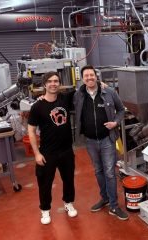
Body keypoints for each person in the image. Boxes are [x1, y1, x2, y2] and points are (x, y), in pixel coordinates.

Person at [73, 65, 128, 220]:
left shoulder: (109, 92)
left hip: (107, 139)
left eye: (92, 75)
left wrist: (115, 123)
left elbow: (122, 110)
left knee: (110, 172)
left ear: (96, 76)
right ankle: (104, 198)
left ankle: (114, 206)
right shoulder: (78, 95)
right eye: (86, 76)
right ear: (82, 78)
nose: (89, 78)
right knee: (98, 171)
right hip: (90, 141)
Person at [28, 72, 77, 225]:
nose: (53, 84)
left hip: (66, 150)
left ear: (59, 83)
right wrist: (36, 154)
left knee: (69, 179)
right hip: (47, 152)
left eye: (56, 81)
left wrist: (102, 84)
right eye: (50, 81)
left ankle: (68, 203)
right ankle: (45, 210)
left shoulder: (65, 98)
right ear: (44, 85)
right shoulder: (37, 106)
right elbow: (31, 130)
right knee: (45, 183)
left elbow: (85, 89)